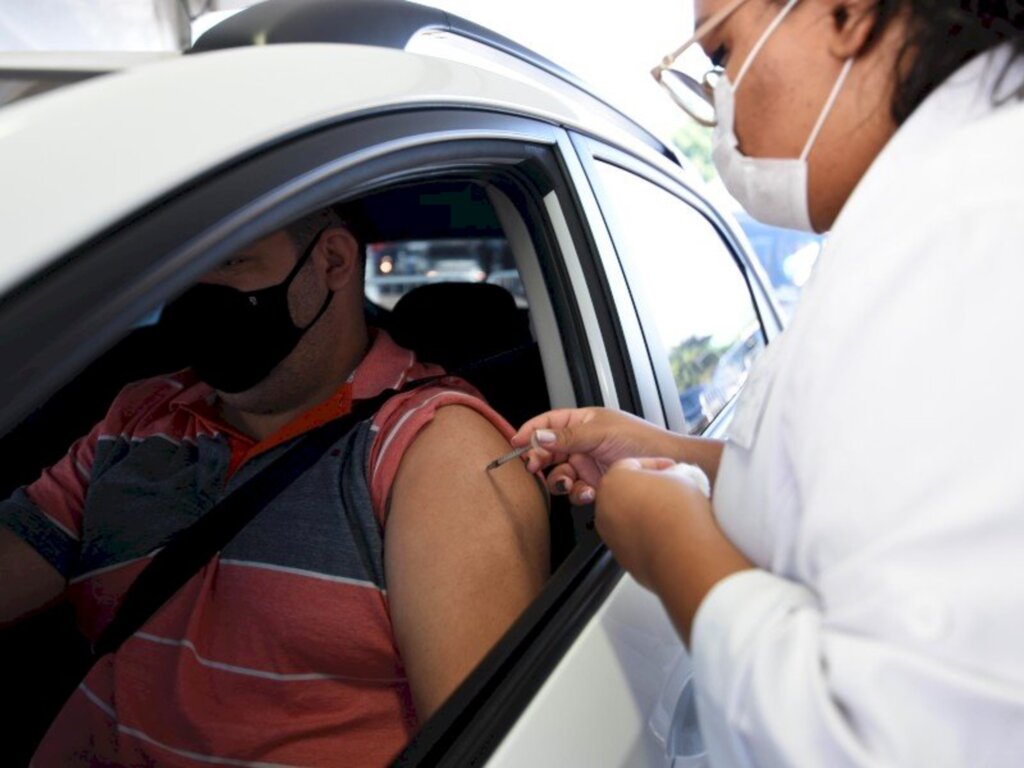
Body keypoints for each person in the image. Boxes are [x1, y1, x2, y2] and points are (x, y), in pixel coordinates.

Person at [511, 0, 1024, 765]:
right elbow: (843, 480)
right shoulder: (922, 222)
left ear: (845, 14)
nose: (722, 105)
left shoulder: (974, 236)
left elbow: (883, 738)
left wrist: (666, 539)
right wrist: (674, 452)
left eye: (722, 53)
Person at [0, 205, 549, 766]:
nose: (198, 294)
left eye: (231, 261)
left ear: (332, 260)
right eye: (184, 267)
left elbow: (484, 750)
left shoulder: (432, 449)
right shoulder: (139, 415)